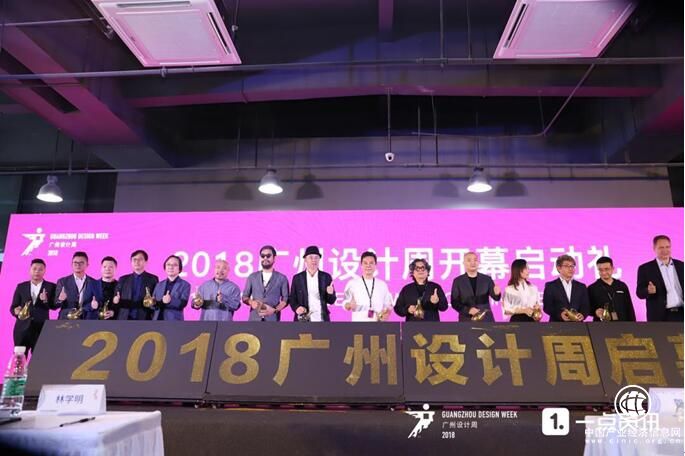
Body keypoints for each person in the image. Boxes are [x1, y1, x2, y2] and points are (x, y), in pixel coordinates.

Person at [10, 259, 56, 354]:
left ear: (44, 271)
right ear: (30, 270)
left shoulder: (51, 286)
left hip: (41, 328)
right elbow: (13, 307)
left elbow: (54, 306)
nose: (37, 271)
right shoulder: (21, 286)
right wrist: (16, 311)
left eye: (40, 269)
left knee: (39, 358)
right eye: (34, 269)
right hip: (22, 329)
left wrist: (45, 300)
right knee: (19, 358)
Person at [636, 235, 684, 322]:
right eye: (661, 247)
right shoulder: (645, 268)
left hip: (681, 314)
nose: (665, 250)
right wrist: (648, 290)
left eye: (667, 247)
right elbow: (639, 292)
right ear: (654, 248)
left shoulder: (681, 266)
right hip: (660, 316)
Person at [342, 251, 394, 321]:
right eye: (365, 263)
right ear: (361, 265)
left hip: (377, 323)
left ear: (375, 265)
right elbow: (345, 303)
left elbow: (388, 305)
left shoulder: (382, 285)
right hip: (358, 323)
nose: (368, 266)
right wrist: (349, 305)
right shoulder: (352, 283)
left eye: (371, 263)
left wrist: (386, 314)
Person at [289, 246, 336, 322]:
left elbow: (331, 301)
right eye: (311, 257)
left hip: (322, 319)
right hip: (303, 319)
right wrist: (296, 308)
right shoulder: (297, 278)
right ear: (305, 259)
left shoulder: (326, 277)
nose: (314, 260)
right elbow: (292, 298)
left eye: (316, 257)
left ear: (319, 259)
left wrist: (330, 294)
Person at [242, 245, 289, 321]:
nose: (265, 258)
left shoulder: (282, 278)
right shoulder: (252, 277)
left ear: (274, 258)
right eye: (263, 256)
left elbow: (286, 299)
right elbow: (244, 297)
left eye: (268, 256)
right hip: (254, 318)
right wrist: (251, 302)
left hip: (273, 319)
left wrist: (274, 310)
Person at [450, 252, 501, 322]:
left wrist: (497, 294)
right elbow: (454, 302)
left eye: (475, 260)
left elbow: (496, 298)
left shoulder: (487, 279)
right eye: (469, 260)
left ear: (478, 262)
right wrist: (468, 310)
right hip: (466, 319)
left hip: (486, 319)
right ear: (464, 263)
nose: (473, 263)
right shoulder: (458, 281)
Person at [113, 250, 159, 320]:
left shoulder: (153, 279)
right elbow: (115, 297)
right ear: (131, 262)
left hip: (145, 318)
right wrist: (115, 300)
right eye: (134, 260)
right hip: (125, 318)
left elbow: (156, 299)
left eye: (140, 259)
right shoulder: (123, 279)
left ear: (146, 262)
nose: (137, 262)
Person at [543, 254, 590, 322]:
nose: (570, 269)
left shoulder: (581, 286)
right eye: (566, 266)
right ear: (559, 268)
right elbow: (547, 307)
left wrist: (583, 314)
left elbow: (586, 306)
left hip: (577, 324)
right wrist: (559, 315)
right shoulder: (550, 286)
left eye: (572, 266)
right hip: (557, 324)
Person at [588, 256, 636, 322]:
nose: (604, 272)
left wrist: (633, 324)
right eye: (600, 270)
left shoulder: (622, 286)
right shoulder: (592, 288)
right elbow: (587, 308)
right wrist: (595, 312)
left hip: (623, 323)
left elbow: (629, 307)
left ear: (613, 269)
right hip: (601, 325)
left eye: (606, 269)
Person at [54, 251, 97, 320]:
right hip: (67, 318)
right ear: (71, 264)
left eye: (81, 263)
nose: (78, 265)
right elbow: (55, 305)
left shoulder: (94, 282)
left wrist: (93, 305)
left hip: (86, 318)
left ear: (87, 265)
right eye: (75, 263)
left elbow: (96, 303)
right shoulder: (63, 281)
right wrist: (60, 300)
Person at [152, 255, 190, 321]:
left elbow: (183, 303)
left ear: (180, 269)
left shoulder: (185, 285)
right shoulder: (159, 285)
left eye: (175, 265)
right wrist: (152, 303)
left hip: (174, 321)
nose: (171, 267)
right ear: (165, 267)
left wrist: (170, 300)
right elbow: (153, 305)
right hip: (157, 320)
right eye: (168, 264)